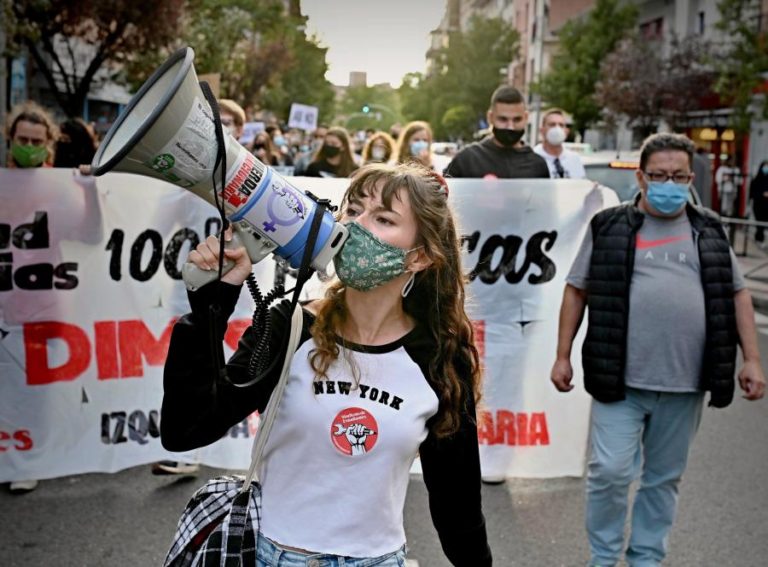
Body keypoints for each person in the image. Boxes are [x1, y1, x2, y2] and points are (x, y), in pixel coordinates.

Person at [160, 163, 492, 566]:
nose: (356, 226)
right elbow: (186, 428)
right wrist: (211, 306)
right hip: (269, 556)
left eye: (383, 219)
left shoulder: (439, 355)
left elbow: (456, 500)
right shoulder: (291, 326)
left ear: (419, 257)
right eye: (352, 211)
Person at [550, 132, 765, 567]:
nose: (670, 183)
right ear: (642, 178)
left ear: (690, 178)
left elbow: (737, 294)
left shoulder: (709, 228)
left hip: (685, 382)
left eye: (679, 175)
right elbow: (577, 289)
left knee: (663, 479)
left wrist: (753, 359)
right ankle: (605, 556)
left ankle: (646, 557)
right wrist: (562, 353)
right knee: (609, 473)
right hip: (620, 380)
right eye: (660, 175)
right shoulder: (609, 226)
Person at [443, 86, 549, 179]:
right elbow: (441, 197)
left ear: (526, 118)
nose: (510, 127)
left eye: (517, 120)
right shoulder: (468, 160)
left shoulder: (537, 165)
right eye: (503, 119)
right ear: (490, 117)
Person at [533, 108, 585, 179]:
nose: (557, 129)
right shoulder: (533, 158)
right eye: (552, 124)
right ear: (542, 130)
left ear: (566, 132)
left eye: (561, 125)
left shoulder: (574, 159)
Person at [5, 101, 58, 169]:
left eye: (36, 141)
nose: (29, 146)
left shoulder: (58, 178)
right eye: (23, 140)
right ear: (12, 138)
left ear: (47, 142)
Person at [750, 160, 768, 246]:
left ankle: (761, 238)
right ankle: (759, 238)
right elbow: (752, 193)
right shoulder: (756, 180)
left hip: (766, 205)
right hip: (758, 204)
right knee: (759, 222)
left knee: (764, 222)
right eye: (765, 166)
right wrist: (762, 193)